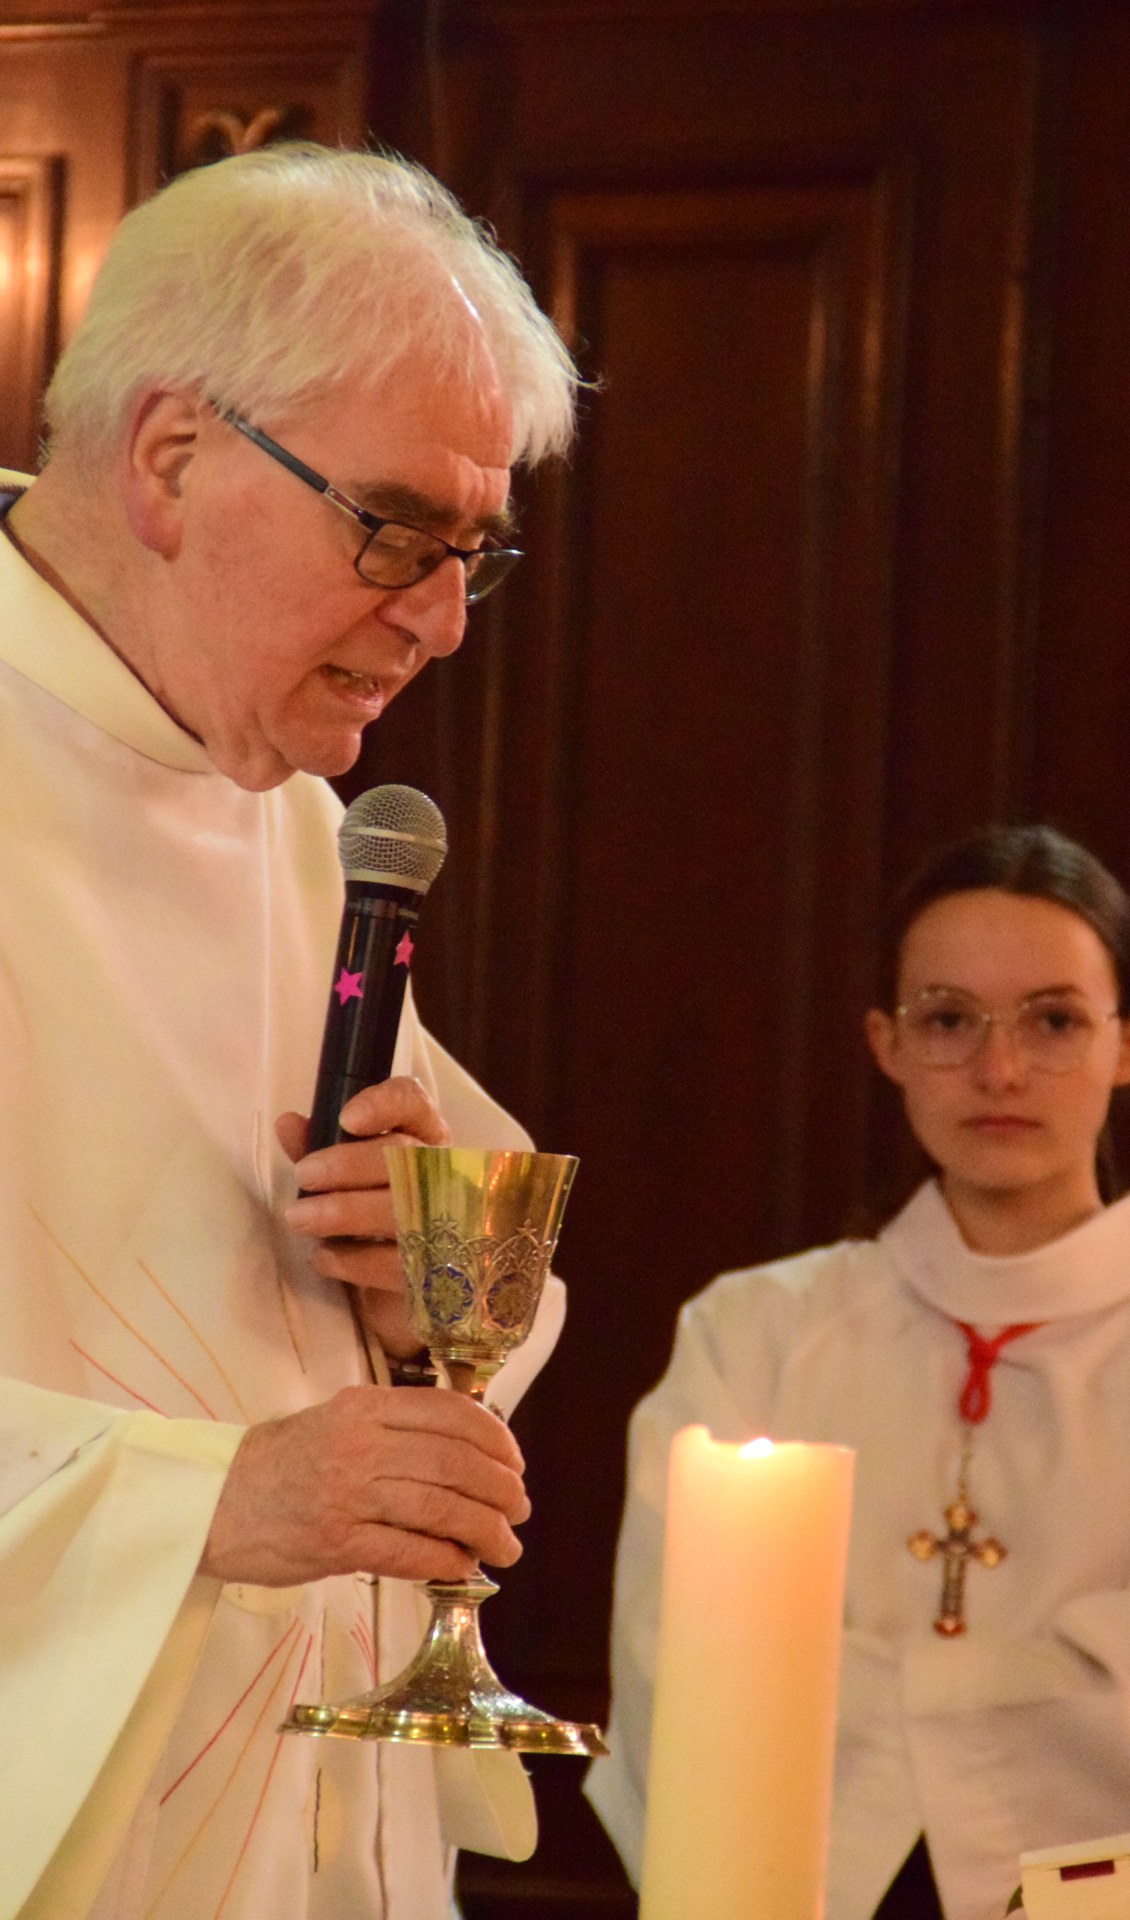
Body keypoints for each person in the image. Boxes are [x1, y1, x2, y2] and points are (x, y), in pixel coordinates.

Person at [0, 142, 580, 1920]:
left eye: (474, 552)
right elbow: (242, 1461)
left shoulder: (308, 829)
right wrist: (211, 1504)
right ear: (172, 455)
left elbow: (456, 1291)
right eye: (394, 528)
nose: (439, 618)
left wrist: (415, 1310)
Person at [585, 825, 1130, 1920]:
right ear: (884, 1042)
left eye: (1052, 1021)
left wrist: (871, 1696)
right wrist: (1041, 1695)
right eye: (947, 1019)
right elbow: (685, 1680)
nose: (997, 1071)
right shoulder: (753, 1333)